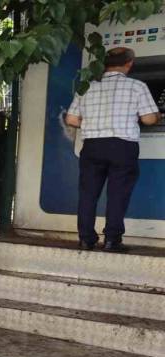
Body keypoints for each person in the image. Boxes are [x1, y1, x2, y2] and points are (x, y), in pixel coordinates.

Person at [65, 46, 160, 253]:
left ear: (105, 64)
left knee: (88, 194)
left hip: (92, 146)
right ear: (129, 63)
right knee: (118, 194)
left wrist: (93, 124)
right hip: (122, 146)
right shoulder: (137, 86)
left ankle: (86, 240)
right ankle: (111, 240)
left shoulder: (87, 87)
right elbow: (148, 119)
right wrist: (156, 115)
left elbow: (71, 119)